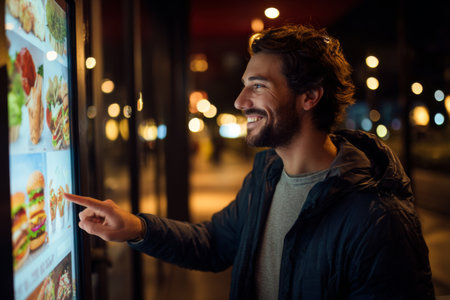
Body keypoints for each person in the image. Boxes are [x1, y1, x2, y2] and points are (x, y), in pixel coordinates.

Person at [65, 25, 435, 299]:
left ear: (310, 97)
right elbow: (214, 244)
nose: (241, 101)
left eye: (258, 85)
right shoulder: (267, 175)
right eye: (245, 84)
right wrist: (133, 227)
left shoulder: (378, 219)